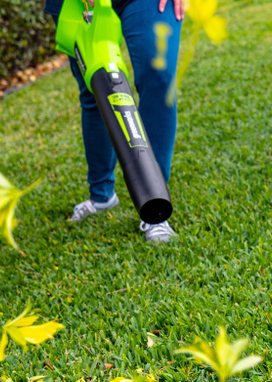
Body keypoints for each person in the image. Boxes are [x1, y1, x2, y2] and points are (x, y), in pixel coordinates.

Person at [44, 0, 183, 242]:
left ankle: (154, 208)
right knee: (96, 89)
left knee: (158, 76)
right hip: (78, 3)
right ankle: (101, 195)